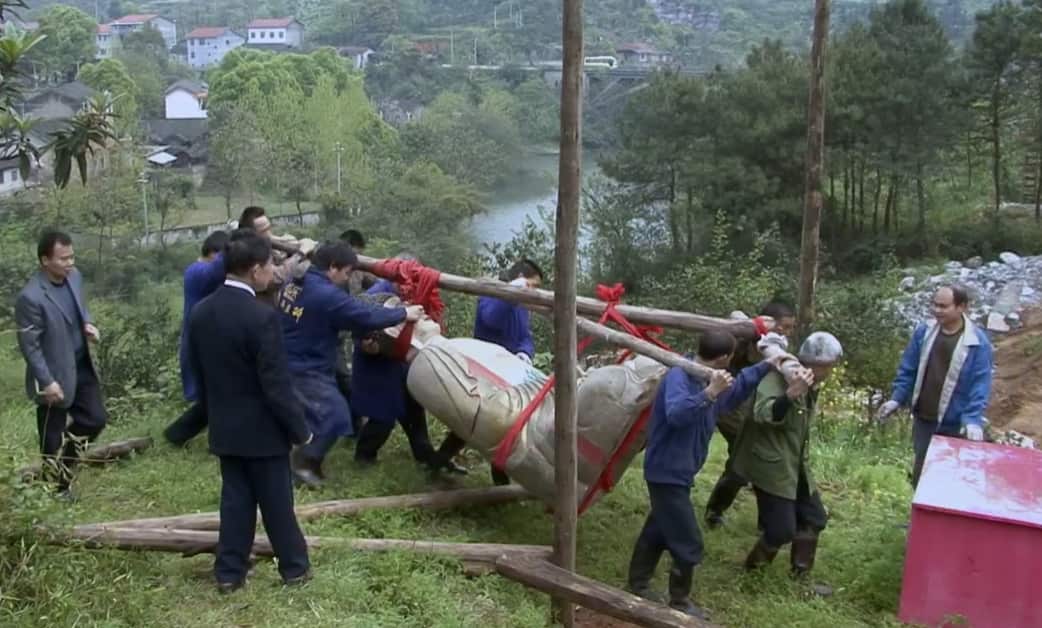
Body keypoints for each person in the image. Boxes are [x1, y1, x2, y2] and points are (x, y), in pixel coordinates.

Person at [188, 229, 313, 593]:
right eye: (272, 264)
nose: (274, 271)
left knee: (235, 503)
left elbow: (201, 373)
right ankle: (295, 569)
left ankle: (229, 574)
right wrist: (299, 429)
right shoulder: (262, 317)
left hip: (226, 426)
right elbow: (276, 385)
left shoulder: (201, 312)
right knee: (277, 505)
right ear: (255, 269)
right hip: (263, 431)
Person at [625, 330, 780, 618]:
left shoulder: (710, 377)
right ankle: (679, 602)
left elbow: (734, 391)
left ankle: (638, 583)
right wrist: (710, 393)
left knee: (658, 528)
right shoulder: (680, 377)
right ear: (724, 358)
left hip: (678, 473)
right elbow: (677, 415)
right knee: (688, 541)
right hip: (666, 472)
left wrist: (768, 364)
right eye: (731, 358)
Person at [277, 241, 424, 488]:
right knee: (336, 414)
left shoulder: (296, 281)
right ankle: (303, 464)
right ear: (333, 267)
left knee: (315, 412)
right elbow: (364, 315)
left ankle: (304, 458)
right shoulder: (326, 294)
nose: (347, 278)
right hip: (304, 364)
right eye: (346, 272)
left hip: (293, 356)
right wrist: (403, 314)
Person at [735, 332, 843, 596]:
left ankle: (800, 577)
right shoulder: (776, 379)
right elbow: (763, 414)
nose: (830, 371)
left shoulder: (810, 381)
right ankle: (751, 575)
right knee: (781, 530)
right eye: (828, 365)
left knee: (814, 518)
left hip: (795, 464)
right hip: (771, 466)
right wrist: (791, 395)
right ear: (815, 364)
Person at [429, 259, 545, 484]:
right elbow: (491, 319)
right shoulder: (492, 292)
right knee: (482, 422)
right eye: (531, 285)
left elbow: (525, 336)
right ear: (519, 279)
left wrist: (525, 352)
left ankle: (442, 462)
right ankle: (492, 478)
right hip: (485, 370)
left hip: (510, 372)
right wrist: (513, 293)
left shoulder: (521, 304)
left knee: (496, 423)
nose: (533, 291)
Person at [16, 230, 108, 497]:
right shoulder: (31, 297)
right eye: (63, 259)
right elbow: (30, 346)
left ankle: (65, 464)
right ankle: (57, 488)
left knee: (95, 420)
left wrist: (87, 324)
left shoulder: (74, 277)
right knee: (51, 437)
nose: (70, 263)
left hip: (81, 365)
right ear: (45, 260)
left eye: (72, 257)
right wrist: (47, 382)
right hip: (54, 376)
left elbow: (79, 307)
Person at [876, 285, 993, 487]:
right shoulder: (925, 332)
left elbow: (980, 383)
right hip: (925, 418)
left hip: (955, 423)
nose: (937, 310)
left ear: (961, 307)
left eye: (943, 306)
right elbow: (908, 368)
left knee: (951, 478)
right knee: (922, 473)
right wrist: (897, 398)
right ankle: (918, 519)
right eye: (935, 305)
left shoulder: (977, 343)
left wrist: (972, 420)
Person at [705, 300, 797, 528]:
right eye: (783, 327)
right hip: (727, 399)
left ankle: (761, 519)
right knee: (744, 456)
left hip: (751, 404)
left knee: (750, 458)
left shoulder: (777, 346)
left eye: (790, 328)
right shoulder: (744, 339)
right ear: (767, 323)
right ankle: (716, 510)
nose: (787, 332)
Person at [163, 231, 229, 447]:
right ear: (212, 252)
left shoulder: (202, 270)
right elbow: (216, 272)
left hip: (207, 338)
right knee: (214, 396)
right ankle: (177, 435)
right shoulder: (197, 270)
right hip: (200, 341)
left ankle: (177, 435)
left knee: (214, 397)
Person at [237, 206, 314, 303]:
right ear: (251, 234)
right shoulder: (247, 252)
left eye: (269, 228)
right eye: (263, 231)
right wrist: (300, 253)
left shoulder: (266, 243)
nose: (269, 234)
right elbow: (275, 279)